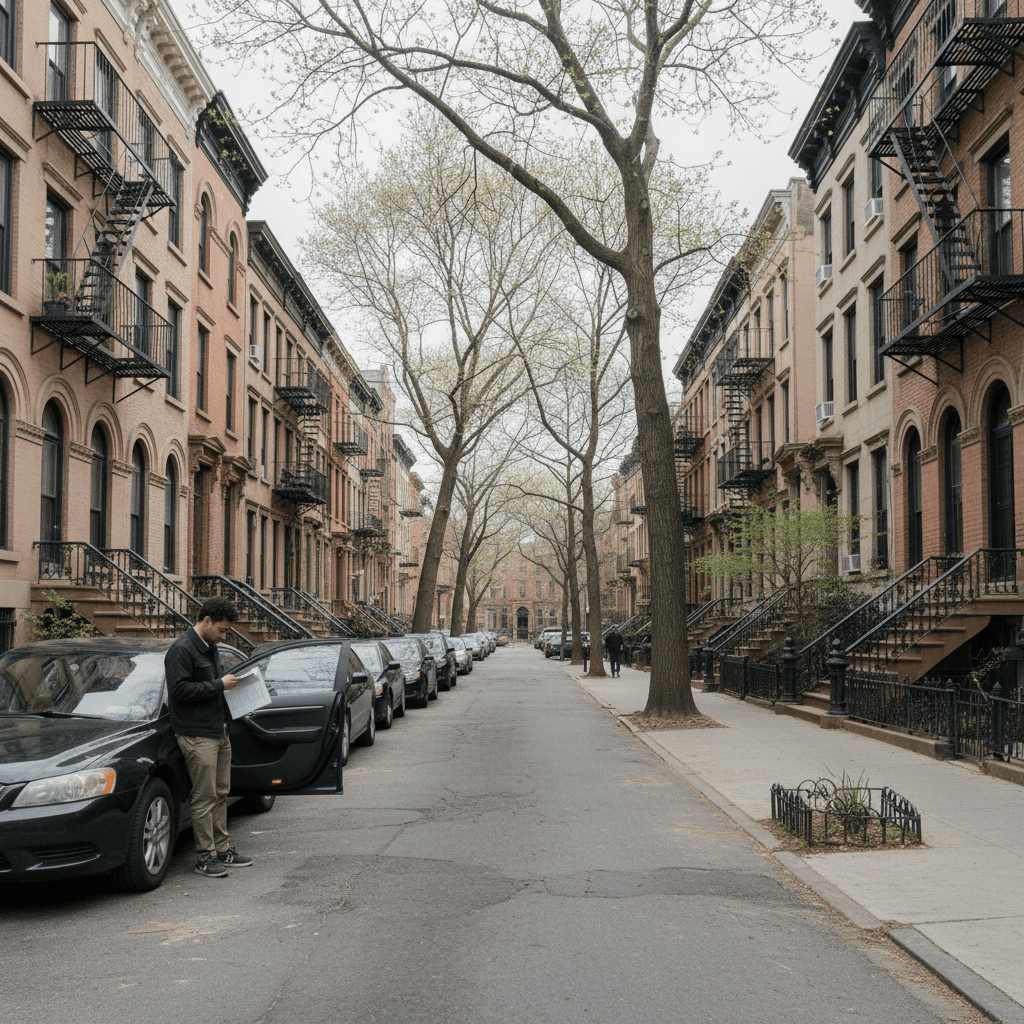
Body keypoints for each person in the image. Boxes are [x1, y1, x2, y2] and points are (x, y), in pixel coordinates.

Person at [165, 597, 252, 877]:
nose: (224, 636)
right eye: (222, 630)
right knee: (204, 797)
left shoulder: (210, 647)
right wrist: (219, 685)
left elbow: (212, 687)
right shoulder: (181, 650)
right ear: (206, 621)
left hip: (218, 730)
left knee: (221, 793)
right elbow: (179, 691)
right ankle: (205, 857)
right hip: (195, 733)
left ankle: (223, 850)